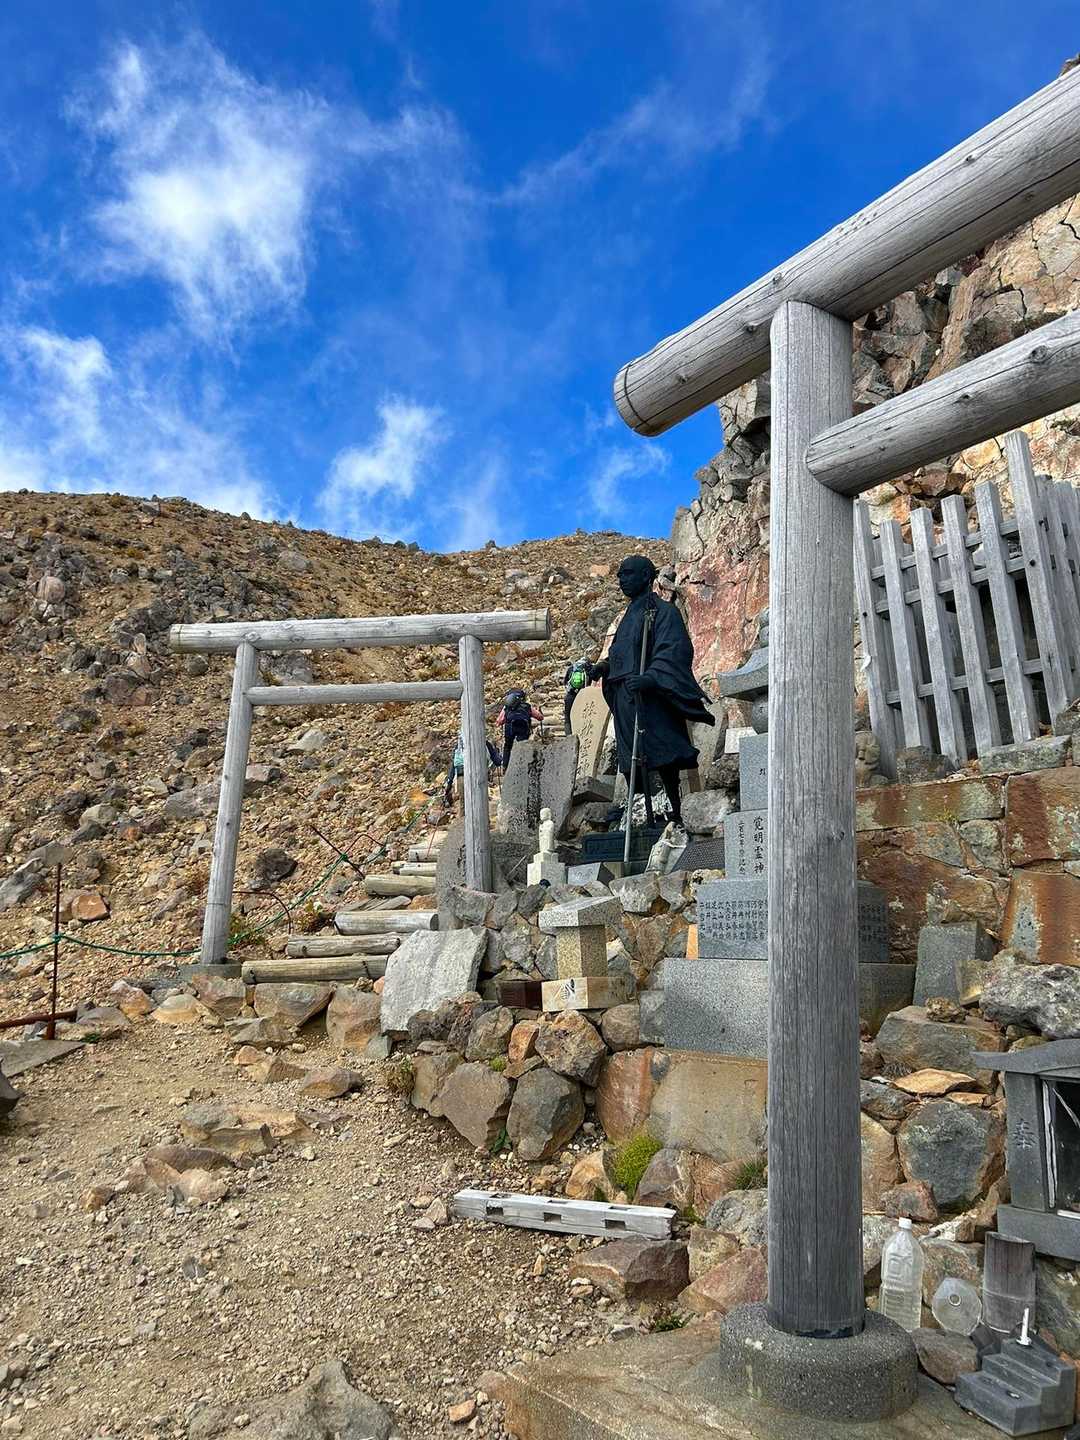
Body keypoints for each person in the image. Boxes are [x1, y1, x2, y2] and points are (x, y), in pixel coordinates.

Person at [591, 554, 713, 825]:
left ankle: (674, 809)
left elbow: (674, 649)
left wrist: (651, 677)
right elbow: (622, 653)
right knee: (630, 757)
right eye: (619, 574)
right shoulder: (627, 617)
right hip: (625, 695)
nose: (621, 579)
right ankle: (636, 810)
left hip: (652, 696)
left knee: (661, 751)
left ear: (646, 576)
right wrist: (603, 667)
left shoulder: (663, 612)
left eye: (627, 573)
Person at [443, 731, 501, 809]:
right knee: (480, 805)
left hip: (462, 777)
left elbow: (454, 766)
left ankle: (463, 817)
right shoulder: (485, 744)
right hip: (478, 778)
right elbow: (498, 762)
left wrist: (449, 784)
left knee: (464, 806)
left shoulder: (460, 745)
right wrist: (498, 753)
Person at [496, 689, 543, 773]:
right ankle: (522, 767)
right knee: (522, 747)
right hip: (523, 729)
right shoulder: (527, 706)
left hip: (509, 729)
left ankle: (505, 767)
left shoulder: (507, 707)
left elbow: (499, 721)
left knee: (507, 747)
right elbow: (540, 717)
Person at [562, 656, 593, 734]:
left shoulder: (572, 668)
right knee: (582, 716)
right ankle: (581, 734)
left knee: (567, 717)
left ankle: (569, 736)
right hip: (583, 696)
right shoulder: (589, 668)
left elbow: (565, 682)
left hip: (570, 695)